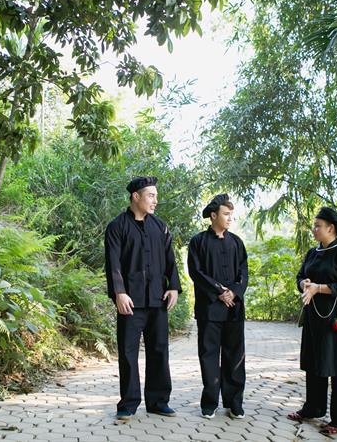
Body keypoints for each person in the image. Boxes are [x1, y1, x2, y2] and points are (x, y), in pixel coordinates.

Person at [104, 176, 181, 420]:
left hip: (158, 299)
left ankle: (158, 402)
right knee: (128, 353)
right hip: (130, 302)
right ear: (135, 196)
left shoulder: (160, 227)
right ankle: (128, 403)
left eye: (156, 196)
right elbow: (113, 263)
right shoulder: (117, 227)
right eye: (151, 195)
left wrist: (173, 287)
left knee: (159, 350)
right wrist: (119, 292)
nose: (155, 200)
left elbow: (170, 260)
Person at [288, 206, 337, 435]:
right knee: (314, 363)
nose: (314, 229)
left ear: (331, 228)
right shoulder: (313, 253)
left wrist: (318, 288)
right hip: (314, 317)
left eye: (317, 226)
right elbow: (300, 276)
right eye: (314, 225)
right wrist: (304, 284)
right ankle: (313, 407)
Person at [187, 194, 248, 420]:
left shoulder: (237, 242)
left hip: (234, 308)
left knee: (235, 356)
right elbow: (196, 272)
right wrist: (219, 291)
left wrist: (234, 292)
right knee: (209, 356)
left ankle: (234, 403)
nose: (230, 218)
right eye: (226, 214)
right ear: (213, 216)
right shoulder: (198, 242)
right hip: (209, 309)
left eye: (231, 214)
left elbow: (244, 271)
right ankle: (210, 403)